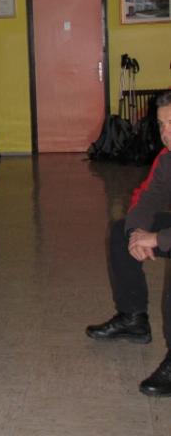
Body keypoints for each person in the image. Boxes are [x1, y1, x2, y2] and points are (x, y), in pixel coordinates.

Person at [86, 90, 171, 396]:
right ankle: (133, 318)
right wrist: (137, 232)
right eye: (161, 125)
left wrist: (159, 238)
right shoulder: (167, 158)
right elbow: (147, 197)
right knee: (122, 232)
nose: (166, 133)